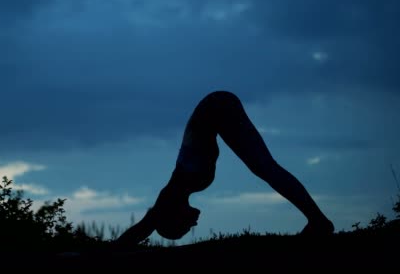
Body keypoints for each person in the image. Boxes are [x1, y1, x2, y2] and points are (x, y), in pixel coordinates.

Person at [115, 91, 334, 245]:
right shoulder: (183, 187)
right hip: (217, 106)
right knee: (265, 168)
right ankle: (318, 221)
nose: (192, 225)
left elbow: (145, 227)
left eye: (184, 227)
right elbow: (150, 223)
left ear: (174, 216)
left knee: (266, 168)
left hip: (217, 106)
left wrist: (109, 251)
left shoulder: (176, 189)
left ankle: (319, 222)